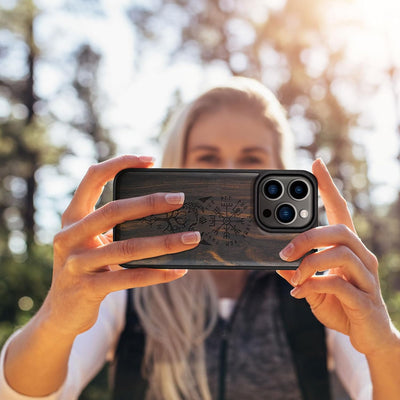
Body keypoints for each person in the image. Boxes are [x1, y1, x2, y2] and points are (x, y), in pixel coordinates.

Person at [1, 77, 400, 400]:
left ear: (280, 170)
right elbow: (28, 395)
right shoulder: (127, 283)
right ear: (178, 168)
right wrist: (57, 317)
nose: (228, 176)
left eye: (251, 160)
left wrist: (383, 345)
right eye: (208, 159)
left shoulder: (317, 286)